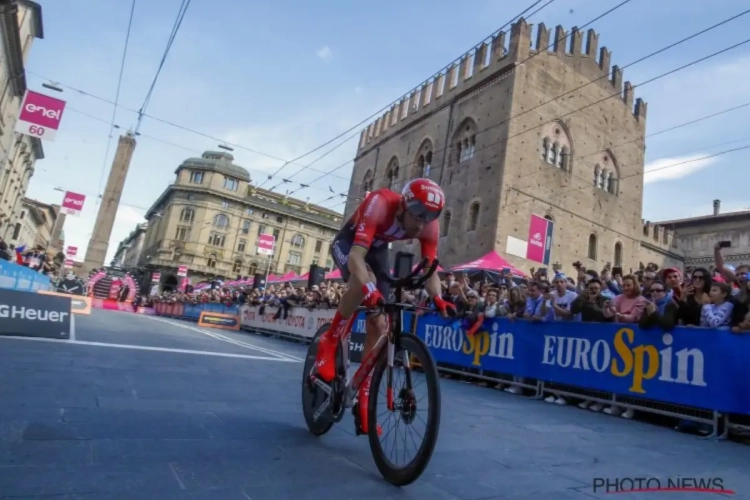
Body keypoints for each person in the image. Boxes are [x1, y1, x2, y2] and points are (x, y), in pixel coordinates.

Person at [315, 178, 456, 435]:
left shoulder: (428, 225)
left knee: (380, 324)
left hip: (378, 250)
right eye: (418, 217)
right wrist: (369, 288)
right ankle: (330, 339)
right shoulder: (380, 203)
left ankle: (364, 398)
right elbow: (357, 257)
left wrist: (438, 298)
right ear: (403, 206)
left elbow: (429, 269)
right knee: (360, 284)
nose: (421, 224)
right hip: (350, 244)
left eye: (429, 218)